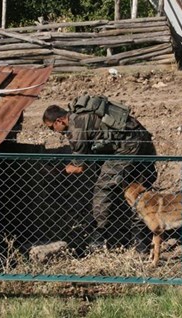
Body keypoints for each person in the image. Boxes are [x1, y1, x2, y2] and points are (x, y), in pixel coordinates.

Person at [43, 94, 157, 252]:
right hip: (139, 138)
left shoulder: (75, 127)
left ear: (59, 121)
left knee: (103, 188)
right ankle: (141, 241)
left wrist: (59, 170)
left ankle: (100, 235)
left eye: (51, 127)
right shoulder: (81, 115)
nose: (53, 131)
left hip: (128, 145)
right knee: (137, 189)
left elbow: (78, 166)